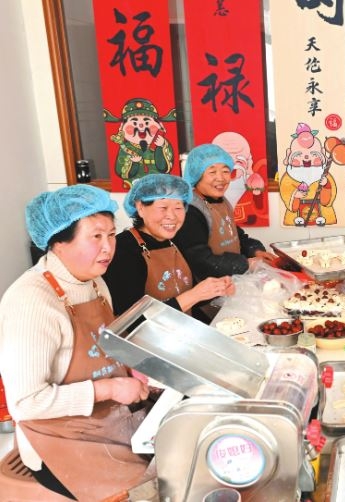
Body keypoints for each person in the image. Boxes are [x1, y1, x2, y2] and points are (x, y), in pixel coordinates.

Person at [0, 185, 152, 501]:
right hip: (60, 445)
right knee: (150, 490)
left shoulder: (93, 281)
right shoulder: (31, 302)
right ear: (58, 242)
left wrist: (131, 368)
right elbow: (25, 403)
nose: (108, 247)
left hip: (110, 422)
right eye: (95, 236)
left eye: (111, 235)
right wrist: (109, 389)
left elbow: (106, 344)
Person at [103, 173, 235, 317]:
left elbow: (186, 295)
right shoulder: (123, 249)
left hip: (182, 327)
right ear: (140, 207)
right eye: (163, 207)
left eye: (178, 208)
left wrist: (215, 289)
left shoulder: (176, 240)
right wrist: (195, 295)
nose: (172, 216)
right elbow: (132, 318)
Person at [173, 144, 277, 319]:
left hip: (229, 287)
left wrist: (255, 250)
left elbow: (235, 235)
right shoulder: (191, 211)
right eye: (212, 172)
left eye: (225, 171)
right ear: (196, 174)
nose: (220, 178)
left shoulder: (220, 201)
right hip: (206, 299)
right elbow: (200, 260)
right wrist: (247, 263)